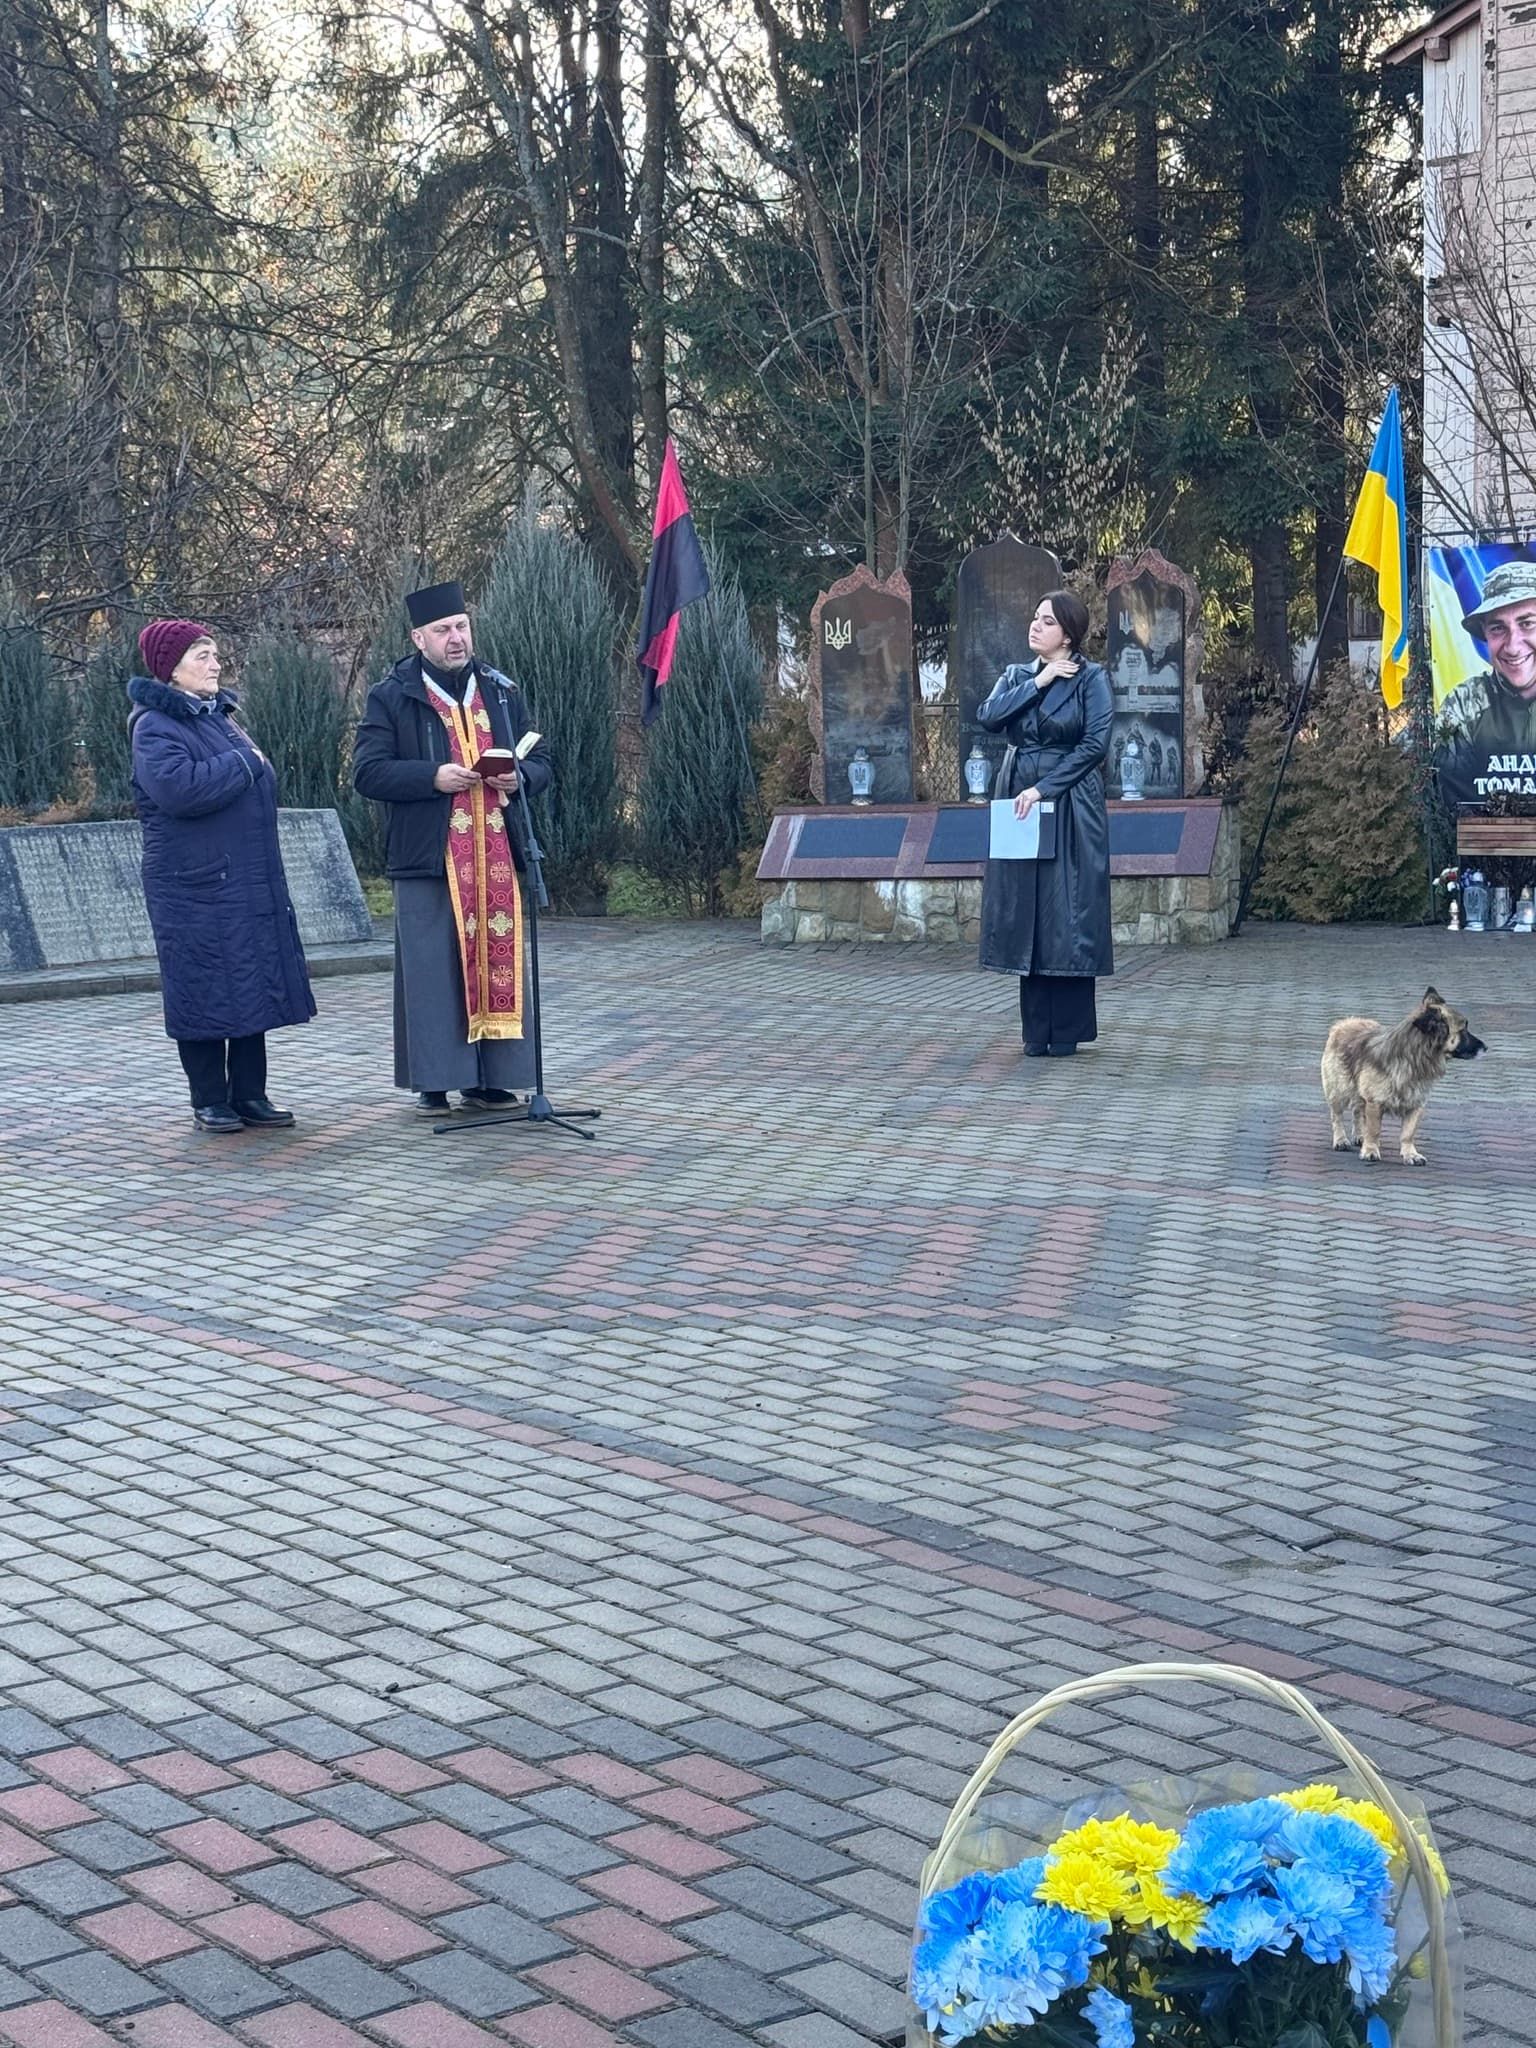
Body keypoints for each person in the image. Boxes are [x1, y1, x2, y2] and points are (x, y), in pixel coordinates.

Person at [353, 581, 554, 1115]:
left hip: (497, 853)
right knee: (435, 969)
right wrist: (432, 777)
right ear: (419, 638)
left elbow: (541, 758)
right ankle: (436, 1082)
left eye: (462, 626)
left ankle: (494, 1080)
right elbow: (368, 773)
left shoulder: (499, 690)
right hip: (429, 857)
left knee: (497, 963)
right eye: (442, 630)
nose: (456, 638)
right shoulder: (392, 695)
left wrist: (520, 777)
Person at [128, 620, 315, 1133]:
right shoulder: (154, 725)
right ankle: (209, 1098)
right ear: (172, 669)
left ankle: (250, 1094)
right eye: (202, 655)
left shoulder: (219, 717)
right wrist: (244, 762)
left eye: (214, 654)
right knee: (202, 986)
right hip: (192, 886)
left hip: (243, 880)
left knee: (250, 982)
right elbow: (179, 790)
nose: (215, 664)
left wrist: (244, 760)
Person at [977, 589, 1113, 1057]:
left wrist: (1044, 789)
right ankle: (1035, 1031)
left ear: (1069, 635)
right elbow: (989, 717)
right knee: (1027, 909)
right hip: (1018, 799)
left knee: (1068, 909)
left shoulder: (1091, 678)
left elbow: (1094, 745)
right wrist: (1040, 681)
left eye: (1048, 620)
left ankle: (1068, 1030)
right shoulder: (1018, 674)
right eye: (1035, 617)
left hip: (1071, 799)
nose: (1036, 625)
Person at [1437, 560, 1536, 808]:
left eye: (1527, 623)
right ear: (1485, 634)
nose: (1513, 647)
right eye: (1498, 628)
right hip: (1490, 832)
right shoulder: (1464, 705)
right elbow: (1451, 795)